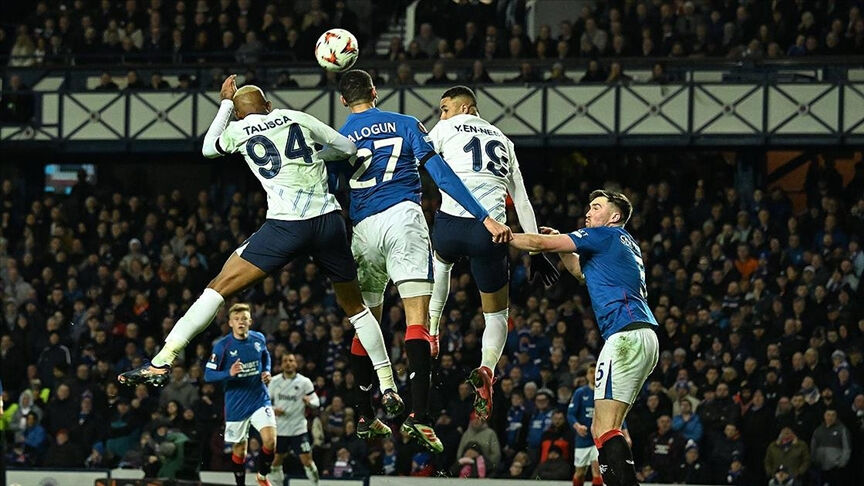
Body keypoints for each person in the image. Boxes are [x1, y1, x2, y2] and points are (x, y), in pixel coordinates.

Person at [118, 75, 402, 421]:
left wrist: (225, 104)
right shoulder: (298, 117)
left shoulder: (238, 131)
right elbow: (348, 149)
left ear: (240, 114)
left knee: (218, 288)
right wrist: (316, 154)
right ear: (268, 105)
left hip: (285, 227)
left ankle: (163, 360)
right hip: (328, 221)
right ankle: (388, 385)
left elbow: (209, 148)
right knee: (356, 309)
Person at [335, 69, 512, 453]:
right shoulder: (406, 124)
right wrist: (483, 216)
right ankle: (419, 416)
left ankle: (364, 414)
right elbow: (441, 174)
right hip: (403, 221)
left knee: (367, 321)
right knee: (417, 319)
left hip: (363, 229)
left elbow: (333, 190)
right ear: (375, 93)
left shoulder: (340, 137)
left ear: (344, 102)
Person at [508, 189, 660, 486]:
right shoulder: (621, 244)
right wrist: (565, 247)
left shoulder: (605, 235)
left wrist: (501, 233)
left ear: (614, 216)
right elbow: (580, 272)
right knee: (604, 428)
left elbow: (538, 242)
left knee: (604, 431)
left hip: (625, 337)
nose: (588, 213)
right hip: (642, 337)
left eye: (596, 207)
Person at [426, 85, 559, 421]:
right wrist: (536, 250)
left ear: (466, 108)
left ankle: (433, 331)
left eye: (445, 107)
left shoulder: (445, 128)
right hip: (493, 234)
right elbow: (523, 201)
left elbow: (422, 160)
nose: (441, 115)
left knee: (441, 266)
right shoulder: (504, 139)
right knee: (497, 315)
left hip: (452, 225)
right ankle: (487, 368)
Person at [203, 303, 276, 486]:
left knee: (270, 442)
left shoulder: (258, 338)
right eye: (236, 319)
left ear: (250, 321)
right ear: (230, 323)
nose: (240, 322)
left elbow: (265, 356)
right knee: (239, 449)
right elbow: (208, 375)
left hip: (260, 398)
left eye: (244, 318)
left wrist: (266, 371)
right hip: (236, 404)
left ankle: (262, 475)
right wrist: (229, 373)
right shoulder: (223, 346)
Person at [268, 353, 320, 486]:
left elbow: (316, 401)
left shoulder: (304, 382)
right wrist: (273, 409)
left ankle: (316, 484)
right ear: (281, 364)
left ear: (296, 364)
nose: (288, 363)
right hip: (280, 429)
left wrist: (310, 402)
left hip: (298, 429)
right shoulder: (274, 381)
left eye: (291, 361)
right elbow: (265, 402)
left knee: (307, 461)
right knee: (275, 462)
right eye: (285, 361)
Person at [567, 362, 602, 486]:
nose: (594, 375)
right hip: (583, 439)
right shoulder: (580, 392)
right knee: (580, 473)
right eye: (591, 372)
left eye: (597, 371)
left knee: (597, 471)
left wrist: (626, 434)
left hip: (598, 438)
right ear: (587, 375)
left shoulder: (603, 392)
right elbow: (570, 414)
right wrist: (578, 426)